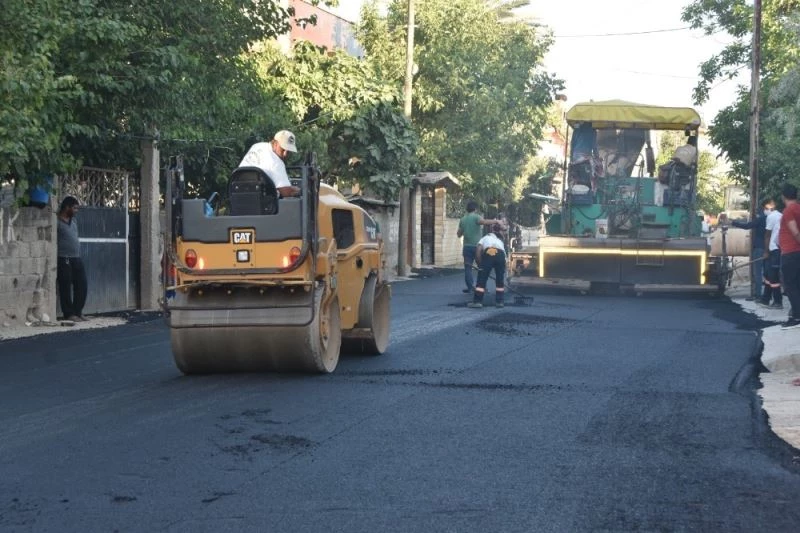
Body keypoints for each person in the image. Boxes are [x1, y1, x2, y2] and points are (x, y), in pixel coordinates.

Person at [731, 197, 774, 301]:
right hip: (770, 248)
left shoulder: (761, 219)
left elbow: (747, 226)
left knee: (757, 272)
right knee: (768, 273)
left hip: (759, 248)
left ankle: (758, 295)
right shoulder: (774, 218)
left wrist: (733, 223)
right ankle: (768, 295)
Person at [238, 130, 301, 197]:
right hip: (259, 199)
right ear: (275, 143)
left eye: (288, 151)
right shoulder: (276, 162)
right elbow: (286, 192)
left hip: (238, 192)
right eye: (283, 149)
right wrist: (298, 190)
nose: (285, 154)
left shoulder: (257, 146)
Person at [457, 201, 501, 293]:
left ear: (467, 209)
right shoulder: (476, 217)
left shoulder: (463, 219)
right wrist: (496, 221)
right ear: (475, 209)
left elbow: (459, 234)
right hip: (477, 248)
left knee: (468, 268)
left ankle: (470, 287)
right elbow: (484, 222)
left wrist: (466, 230)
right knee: (481, 267)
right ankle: (481, 287)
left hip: (466, 247)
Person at [57, 196, 88, 322]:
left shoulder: (73, 221)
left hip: (76, 258)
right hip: (64, 259)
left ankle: (77, 312)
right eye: (74, 208)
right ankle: (69, 314)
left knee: (82, 285)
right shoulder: (57, 222)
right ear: (67, 207)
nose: (76, 211)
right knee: (65, 287)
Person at [467, 223, 507, 308]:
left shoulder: (485, 238)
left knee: (482, 278)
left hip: (490, 252)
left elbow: (478, 250)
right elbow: (504, 256)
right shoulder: (499, 241)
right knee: (500, 279)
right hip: (501, 255)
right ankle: (500, 302)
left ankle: (477, 301)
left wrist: (480, 265)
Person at [778, 183, 800, 330]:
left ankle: (796, 317)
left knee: (790, 286)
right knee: (797, 284)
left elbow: (795, 232)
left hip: (791, 253)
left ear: (783, 196)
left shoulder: (788, 211)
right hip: (796, 253)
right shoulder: (798, 208)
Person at [758, 200, 782, 309]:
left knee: (773, 276)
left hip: (774, 250)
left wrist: (766, 252)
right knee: (768, 274)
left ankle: (778, 302)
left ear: (767, 208)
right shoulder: (780, 216)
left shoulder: (771, 217)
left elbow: (767, 235)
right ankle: (765, 299)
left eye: (764, 208)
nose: (764, 211)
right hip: (776, 248)